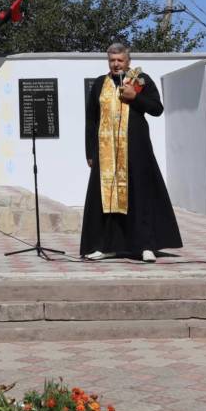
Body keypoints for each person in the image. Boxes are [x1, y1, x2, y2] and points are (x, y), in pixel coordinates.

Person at [80, 42, 182, 263]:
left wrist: (135, 97)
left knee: (140, 195)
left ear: (128, 61)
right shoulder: (100, 83)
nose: (116, 64)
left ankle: (145, 245)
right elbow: (91, 119)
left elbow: (157, 109)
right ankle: (107, 246)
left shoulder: (140, 80)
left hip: (136, 149)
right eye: (112, 60)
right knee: (107, 198)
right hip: (107, 153)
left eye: (120, 60)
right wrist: (90, 152)